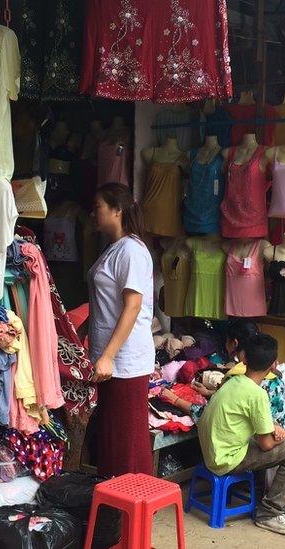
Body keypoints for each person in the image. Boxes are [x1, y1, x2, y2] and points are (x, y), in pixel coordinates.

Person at [198, 334, 285, 536]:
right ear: (274, 365)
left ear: (244, 359)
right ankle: (269, 513)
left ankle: (258, 495)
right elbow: (266, 444)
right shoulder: (257, 394)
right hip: (226, 460)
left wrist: (272, 425)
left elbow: (248, 421)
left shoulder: (234, 381)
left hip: (212, 452)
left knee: (264, 439)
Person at [87, 183, 155, 476]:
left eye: (98, 207)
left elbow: (133, 306)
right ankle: (114, 508)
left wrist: (109, 356)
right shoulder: (114, 249)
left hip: (125, 362)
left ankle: (134, 509)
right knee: (113, 440)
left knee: (128, 443)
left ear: (117, 210)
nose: (93, 213)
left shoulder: (131, 251)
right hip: (112, 361)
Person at [160, 319, 285, 429]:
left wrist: (175, 399)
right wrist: (210, 393)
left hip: (268, 445)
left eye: (227, 340)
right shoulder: (271, 373)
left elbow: (208, 414)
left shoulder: (237, 377)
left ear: (235, 343)